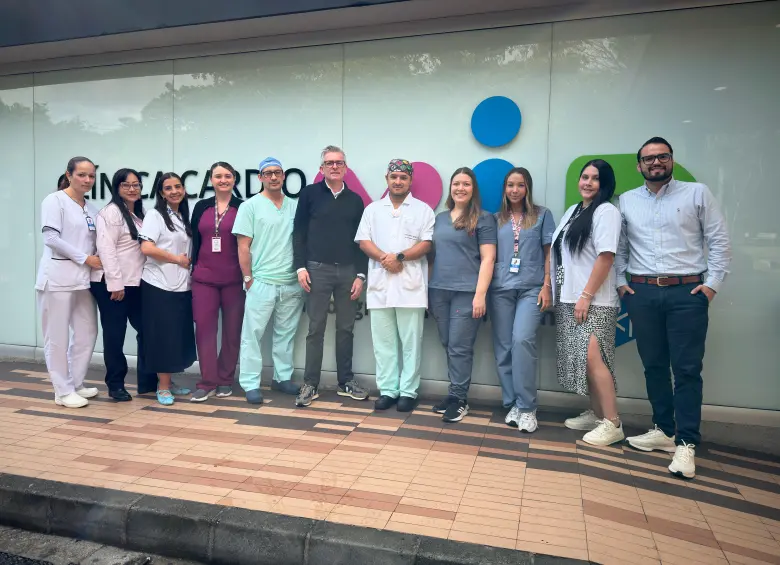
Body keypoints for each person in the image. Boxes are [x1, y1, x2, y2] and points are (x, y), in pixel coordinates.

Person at [619, 137, 731, 479]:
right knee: (653, 365)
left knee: (685, 369)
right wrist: (621, 283)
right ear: (639, 166)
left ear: (672, 160)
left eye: (662, 156)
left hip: (687, 293)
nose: (656, 163)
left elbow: (719, 240)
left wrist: (711, 287)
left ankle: (686, 443)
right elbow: (620, 247)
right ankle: (664, 430)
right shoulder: (626, 200)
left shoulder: (697, 193)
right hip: (642, 293)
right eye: (649, 158)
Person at [551, 159, 623, 446]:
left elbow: (606, 256)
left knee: (596, 360)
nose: (588, 182)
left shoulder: (606, 212)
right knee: (584, 360)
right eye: (585, 177)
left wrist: (586, 296)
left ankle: (613, 423)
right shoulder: (574, 211)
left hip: (595, 301)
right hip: (571, 298)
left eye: (595, 178)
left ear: (605, 184)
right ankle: (596, 414)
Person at [355, 159, 435, 412]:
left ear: (410, 181)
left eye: (403, 177)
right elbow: (363, 241)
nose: (398, 181)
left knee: (411, 343)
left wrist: (399, 257)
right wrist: (384, 258)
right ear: (386, 179)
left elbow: (426, 244)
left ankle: (408, 392)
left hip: (410, 287)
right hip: (380, 286)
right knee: (383, 343)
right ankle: (388, 390)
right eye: (394, 177)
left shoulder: (423, 210)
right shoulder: (373, 210)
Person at [293, 145, 369, 407]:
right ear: (321, 168)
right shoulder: (310, 194)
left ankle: (345, 382)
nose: (334, 166)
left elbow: (361, 241)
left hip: (348, 271)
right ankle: (310, 384)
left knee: (346, 328)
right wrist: (300, 267)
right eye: (329, 163)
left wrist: (361, 274)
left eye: (339, 163)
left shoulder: (356, 200)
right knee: (315, 329)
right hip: (316, 270)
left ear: (346, 168)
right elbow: (299, 233)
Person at [489, 167, 555, 433]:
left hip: (531, 287)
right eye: (510, 185)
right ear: (504, 189)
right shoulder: (495, 219)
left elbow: (550, 252)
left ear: (528, 188)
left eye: (520, 185)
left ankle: (528, 407)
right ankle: (513, 403)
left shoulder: (542, 215)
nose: (515, 190)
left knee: (522, 340)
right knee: (504, 346)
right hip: (501, 288)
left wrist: (547, 285)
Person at [233, 158, 304, 404]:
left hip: (290, 282)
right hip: (261, 281)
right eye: (268, 173)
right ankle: (250, 383)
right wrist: (248, 278)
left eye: (277, 173)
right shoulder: (249, 207)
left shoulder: (295, 206)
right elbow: (243, 246)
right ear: (260, 178)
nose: (273, 177)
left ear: (284, 177)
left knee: (286, 334)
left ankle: (282, 378)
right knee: (252, 335)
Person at [428, 167, 496, 423]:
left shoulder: (483, 218)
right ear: (451, 188)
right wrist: (427, 289)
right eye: (456, 183)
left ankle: (459, 399)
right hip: (438, 291)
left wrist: (480, 295)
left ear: (473, 189)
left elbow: (489, 258)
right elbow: (432, 257)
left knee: (459, 346)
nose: (460, 188)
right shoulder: (439, 218)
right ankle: (454, 393)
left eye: (466, 184)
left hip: (467, 292)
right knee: (448, 342)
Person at [35, 156, 102, 408]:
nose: (87, 180)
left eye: (91, 176)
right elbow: (51, 238)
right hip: (57, 279)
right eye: (82, 174)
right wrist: (86, 258)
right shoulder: (55, 201)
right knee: (57, 337)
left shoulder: (91, 208)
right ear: (69, 174)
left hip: (83, 281)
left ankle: (75, 383)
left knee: (87, 332)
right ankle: (61, 391)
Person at [92, 168, 158, 401]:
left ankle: (149, 381)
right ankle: (115, 385)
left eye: (136, 185)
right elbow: (106, 250)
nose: (132, 189)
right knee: (115, 335)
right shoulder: (110, 213)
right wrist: (115, 284)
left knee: (148, 330)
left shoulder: (140, 214)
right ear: (116, 188)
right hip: (113, 285)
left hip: (137, 284)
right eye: (126, 185)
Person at [138, 173, 196, 406]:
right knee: (162, 337)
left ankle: (168, 382)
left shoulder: (183, 215)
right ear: (161, 193)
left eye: (178, 186)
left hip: (181, 286)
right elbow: (146, 247)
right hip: (158, 285)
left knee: (175, 336)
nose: (174, 191)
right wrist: (176, 259)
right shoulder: (155, 215)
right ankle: (161, 387)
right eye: (168, 188)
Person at [189, 162, 244, 402]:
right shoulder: (201, 207)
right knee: (204, 331)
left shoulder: (243, 207)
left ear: (234, 179)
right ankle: (207, 382)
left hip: (235, 280)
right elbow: (194, 240)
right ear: (211, 180)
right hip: (204, 279)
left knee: (232, 333)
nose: (223, 180)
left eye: (227, 176)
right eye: (218, 176)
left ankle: (225, 380)